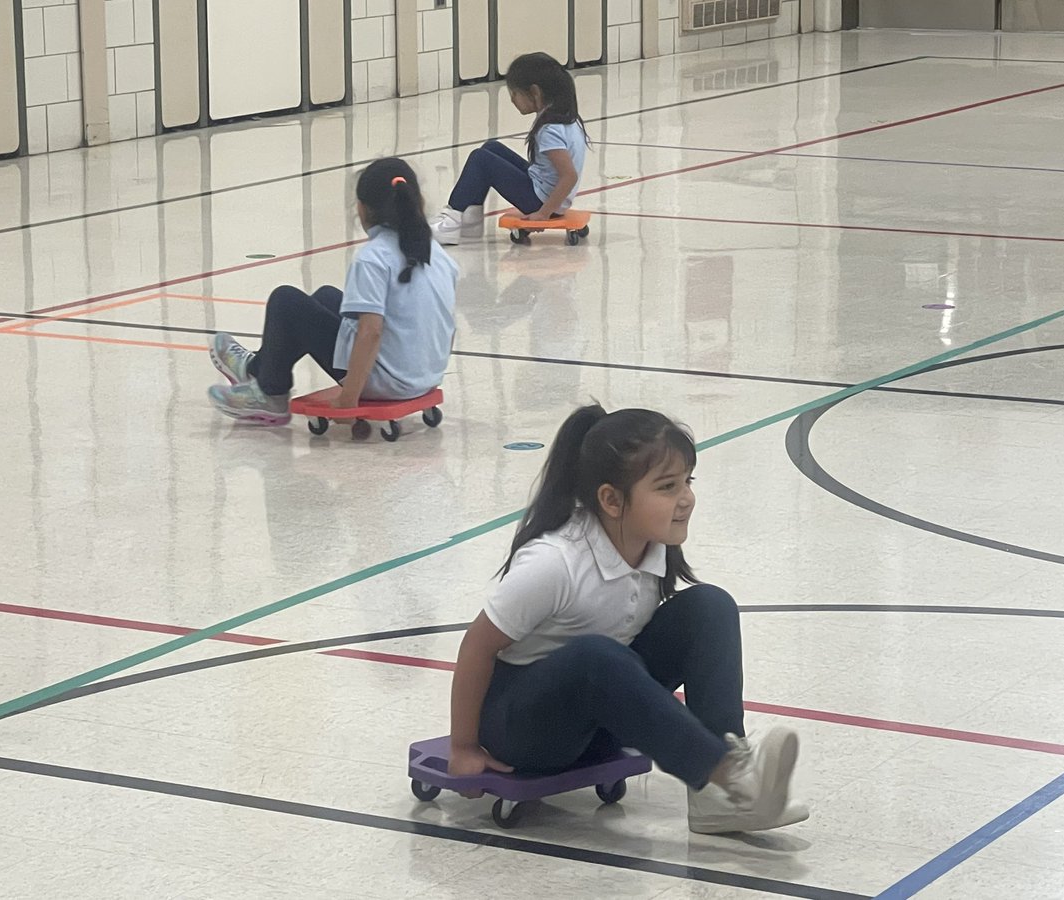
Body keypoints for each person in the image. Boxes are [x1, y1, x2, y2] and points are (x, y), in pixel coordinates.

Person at [448, 405, 809, 834]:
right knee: (595, 656)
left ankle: (719, 794)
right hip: (523, 731)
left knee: (709, 605)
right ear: (611, 500)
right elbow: (477, 645)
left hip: (597, 721)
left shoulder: (652, 547)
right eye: (667, 487)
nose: (686, 498)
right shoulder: (555, 563)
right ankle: (729, 775)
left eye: (686, 482)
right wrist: (464, 746)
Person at [206, 158, 458, 426]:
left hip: (386, 382)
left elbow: (371, 332)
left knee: (286, 301)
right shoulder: (437, 253)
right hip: (424, 376)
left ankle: (270, 394)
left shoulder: (373, 259)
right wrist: (429, 373)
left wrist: (349, 398)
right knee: (326, 297)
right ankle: (257, 368)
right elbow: (446, 323)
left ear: (362, 209)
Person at [430, 52, 588, 246]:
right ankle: (470, 219)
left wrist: (543, 213)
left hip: (540, 201)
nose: (512, 99)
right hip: (545, 192)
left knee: (480, 158)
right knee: (491, 147)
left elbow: (568, 175)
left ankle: (450, 222)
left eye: (515, 93)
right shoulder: (564, 117)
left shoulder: (550, 130)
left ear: (535, 93)